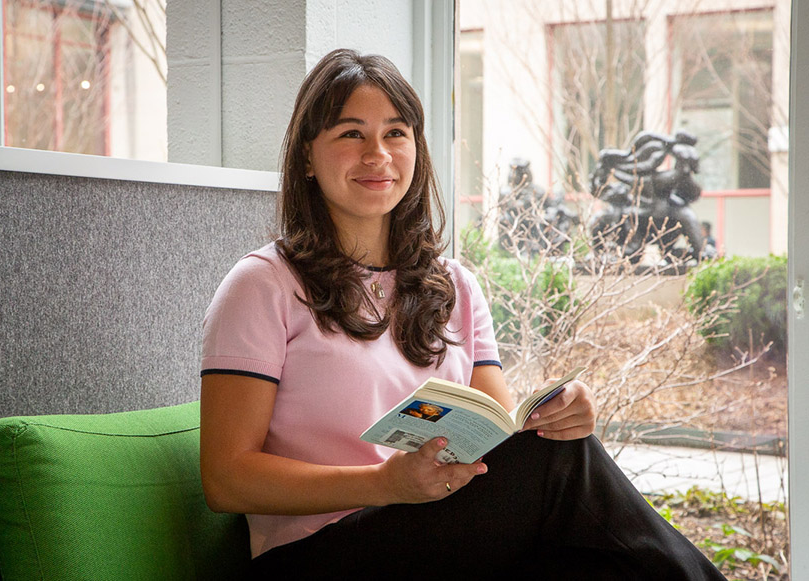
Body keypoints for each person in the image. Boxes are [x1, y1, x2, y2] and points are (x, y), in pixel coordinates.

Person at [199, 48, 725, 579]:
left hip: (436, 531)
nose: (377, 154)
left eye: (396, 133)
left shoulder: (453, 286)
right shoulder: (263, 284)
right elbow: (226, 479)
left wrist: (558, 419)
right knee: (561, 466)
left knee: (574, 509)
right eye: (351, 134)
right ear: (308, 157)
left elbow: (502, 439)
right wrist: (384, 484)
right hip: (315, 553)